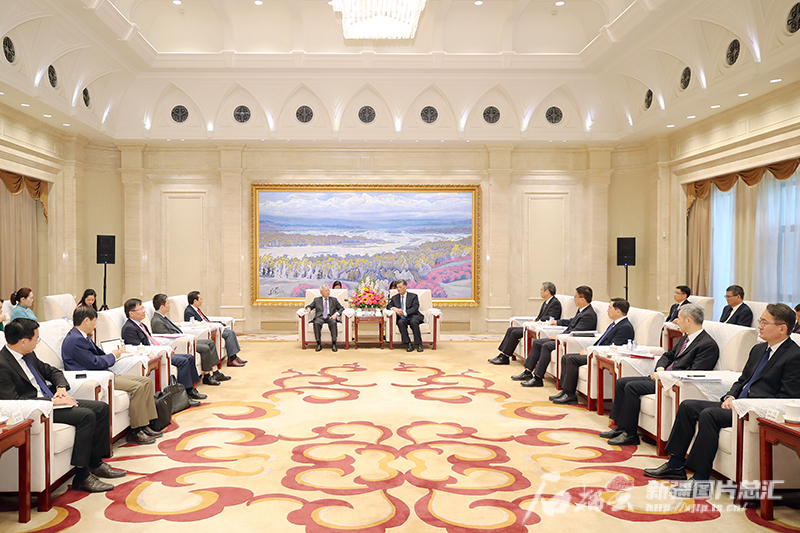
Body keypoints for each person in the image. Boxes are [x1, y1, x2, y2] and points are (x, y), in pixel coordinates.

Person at [644, 304, 800, 498]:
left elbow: (787, 397)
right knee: (688, 406)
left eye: (764, 322)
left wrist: (745, 404)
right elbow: (742, 380)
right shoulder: (759, 349)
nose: (759, 326)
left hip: (754, 411)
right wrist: (731, 396)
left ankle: (700, 480)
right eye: (760, 321)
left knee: (709, 414)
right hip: (737, 404)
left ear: (782, 328)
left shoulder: (794, 356)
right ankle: (675, 465)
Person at [0, 318, 126, 492]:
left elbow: (52, 371)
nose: (37, 343)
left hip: (51, 401)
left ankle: (96, 463)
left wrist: (60, 387)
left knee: (101, 408)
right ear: (23, 341)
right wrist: (52, 402)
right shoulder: (3, 365)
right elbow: (14, 401)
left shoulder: (28, 354)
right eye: (36, 339)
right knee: (86, 416)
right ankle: (82, 477)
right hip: (37, 410)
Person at [601, 303, 719, 446]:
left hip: (672, 382)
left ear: (688, 320)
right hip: (663, 376)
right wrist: (660, 369)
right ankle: (620, 427)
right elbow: (667, 355)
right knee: (621, 382)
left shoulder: (707, 345)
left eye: (679, 318)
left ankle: (630, 434)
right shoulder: (686, 338)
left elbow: (694, 373)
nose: (676, 321)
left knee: (631, 387)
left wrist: (664, 376)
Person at [62, 306, 163, 445]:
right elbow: (94, 362)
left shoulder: (81, 336)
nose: (95, 325)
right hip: (93, 376)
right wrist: (113, 356)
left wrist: (112, 353)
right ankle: (136, 431)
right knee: (137, 387)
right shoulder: (75, 340)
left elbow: (96, 356)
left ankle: (147, 424)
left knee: (146, 381)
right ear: (86, 320)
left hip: (103, 372)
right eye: (94, 321)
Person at [550, 298, 636, 404]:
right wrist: (589, 349)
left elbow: (615, 347)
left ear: (618, 311)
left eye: (610, 308)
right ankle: (565, 391)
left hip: (602, 355)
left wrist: (592, 351)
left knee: (571, 359)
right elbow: (602, 340)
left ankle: (570, 395)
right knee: (566, 357)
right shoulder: (615, 324)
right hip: (596, 352)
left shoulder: (625, 327)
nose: (607, 311)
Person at [121, 298, 205, 402]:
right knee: (183, 361)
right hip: (153, 356)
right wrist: (164, 350)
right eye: (141, 309)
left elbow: (151, 340)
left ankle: (191, 389)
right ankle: (183, 397)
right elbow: (139, 348)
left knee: (189, 357)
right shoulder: (129, 328)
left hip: (158, 351)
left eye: (143, 308)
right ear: (131, 313)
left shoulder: (141, 325)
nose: (144, 311)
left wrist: (166, 349)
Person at [513, 286, 597, 388]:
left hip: (569, 340)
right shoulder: (582, 311)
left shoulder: (589, 314)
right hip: (564, 337)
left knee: (546, 346)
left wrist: (560, 336)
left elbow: (577, 331)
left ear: (583, 299)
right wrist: (557, 322)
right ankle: (528, 371)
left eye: (576, 297)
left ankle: (538, 378)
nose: (574, 299)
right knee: (537, 342)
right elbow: (572, 322)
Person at [150, 293, 230, 386]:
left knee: (210, 342)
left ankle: (216, 373)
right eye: (168, 303)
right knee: (205, 348)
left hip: (185, 339)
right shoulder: (157, 321)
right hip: (179, 344)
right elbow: (168, 338)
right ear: (162, 307)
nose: (170, 305)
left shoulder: (163, 317)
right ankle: (207, 376)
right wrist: (188, 338)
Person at [489, 282, 562, 365]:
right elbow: (540, 316)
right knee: (511, 329)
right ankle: (502, 354)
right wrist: (534, 321)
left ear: (547, 291)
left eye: (541, 290)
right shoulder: (546, 302)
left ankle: (505, 357)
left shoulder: (555, 303)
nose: (540, 292)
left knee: (515, 332)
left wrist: (536, 322)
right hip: (535, 326)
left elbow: (551, 318)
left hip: (541, 328)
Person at [184, 291, 246, 368]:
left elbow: (204, 320)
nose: (202, 301)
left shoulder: (196, 309)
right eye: (200, 299)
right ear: (195, 301)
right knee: (229, 334)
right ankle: (231, 360)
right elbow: (193, 325)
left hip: (211, 327)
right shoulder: (189, 311)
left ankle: (234, 357)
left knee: (231, 332)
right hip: (206, 331)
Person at [304, 285, 345, 352]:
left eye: (328, 290)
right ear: (321, 292)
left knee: (333, 322)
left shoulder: (334, 300)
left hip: (330, 316)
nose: (328, 292)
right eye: (326, 291)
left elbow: (341, 308)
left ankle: (334, 344)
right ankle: (318, 344)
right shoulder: (316, 300)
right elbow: (310, 306)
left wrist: (336, 314)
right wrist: (308, 309)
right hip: (320, 317)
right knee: (316, 323)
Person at [387, 279, 425, 352]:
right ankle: (408, 344)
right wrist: (394, 309)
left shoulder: (413, 296)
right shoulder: (395, 297)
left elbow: (415, 308)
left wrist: (404, 312)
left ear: (405, 287)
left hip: (413, 316)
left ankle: (419, 344)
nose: (398, 289)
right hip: (403, 318)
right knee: (400, 322)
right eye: (397, 287)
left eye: (400, 287)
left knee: (413, 322)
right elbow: (388, 306)